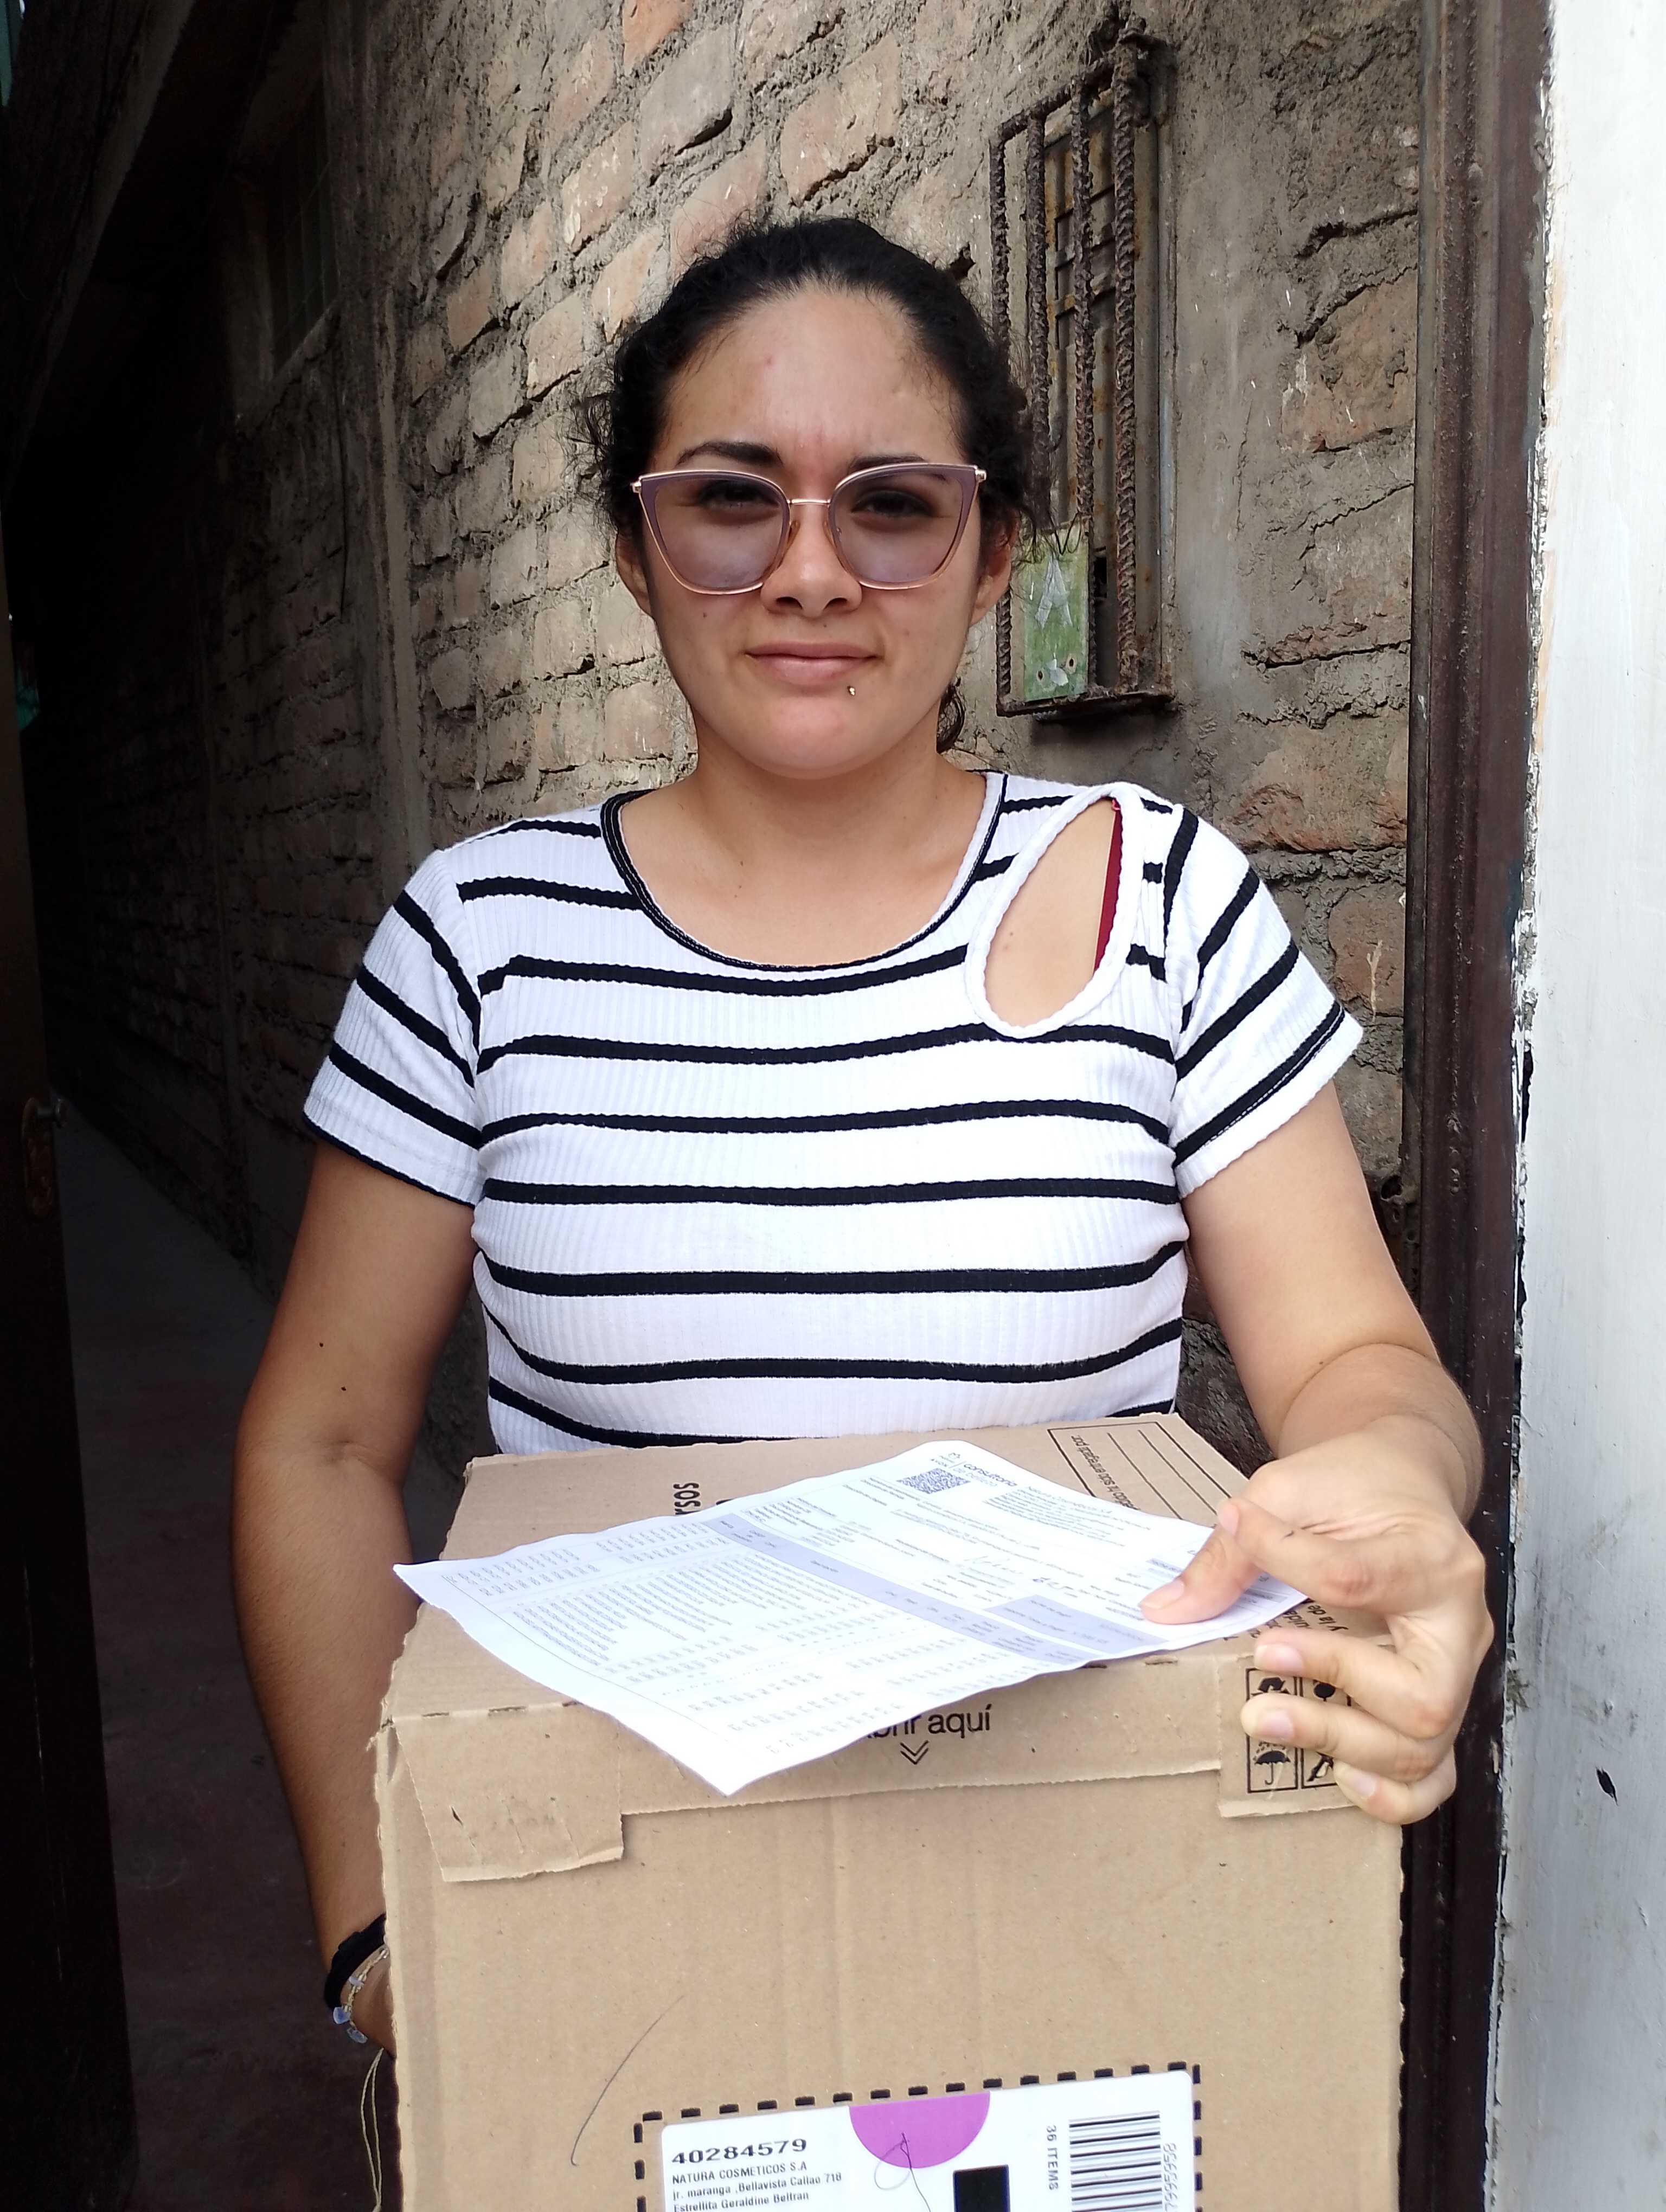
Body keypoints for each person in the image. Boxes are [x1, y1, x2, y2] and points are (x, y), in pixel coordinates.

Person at [233, 218, 1490, 2055]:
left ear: (990, 555)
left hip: (1087, 1892)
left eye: (893, 506)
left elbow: (1360, 1362)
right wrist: (376, 1924)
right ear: (636, 548)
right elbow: (326, 1441)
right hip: (615, 1898)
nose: (812, 573)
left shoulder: (1166, 903)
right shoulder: (482, 941)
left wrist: (1399, 1480)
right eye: (732, 501)